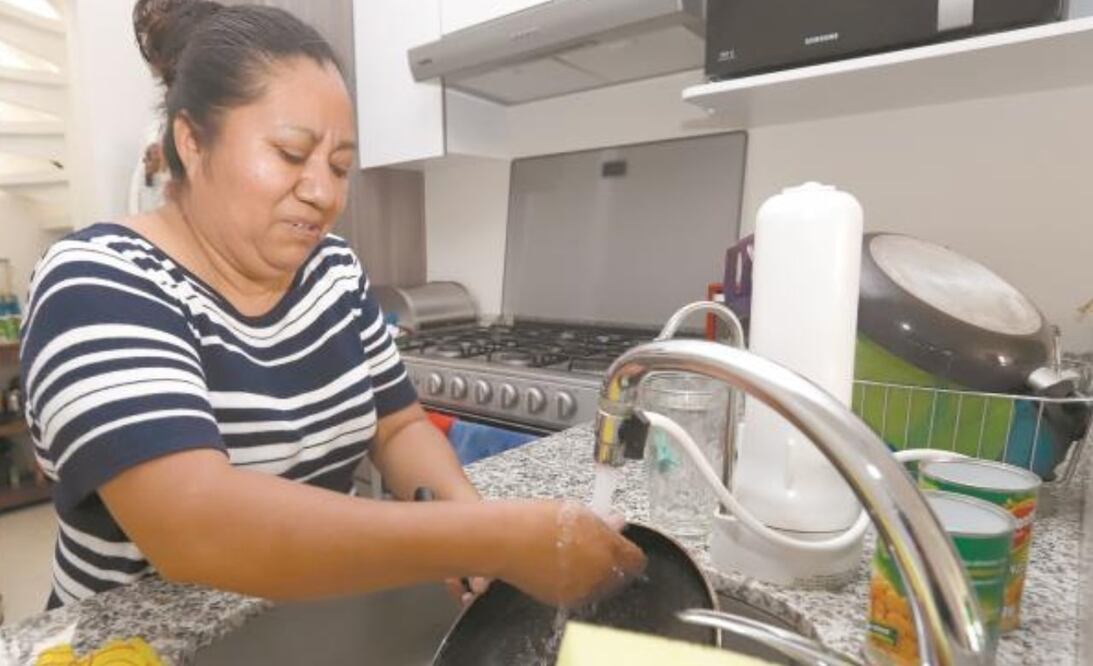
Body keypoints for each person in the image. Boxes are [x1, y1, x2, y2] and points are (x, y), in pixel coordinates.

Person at [21, 0, 644, 611]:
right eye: (291, 154)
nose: (323, 192)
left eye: (341, 166)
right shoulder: (98, 281)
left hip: (305, 610)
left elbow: (397, 427)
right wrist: (496, 538)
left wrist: (466, 520)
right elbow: (196, 526)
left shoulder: (333, 272)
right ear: (192, 142)